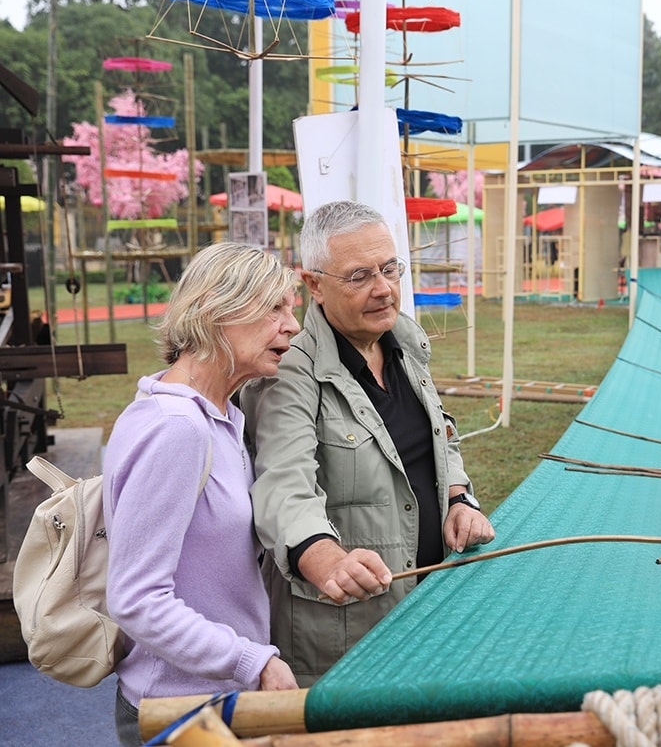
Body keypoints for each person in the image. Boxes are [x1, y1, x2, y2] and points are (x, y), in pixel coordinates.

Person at [240, 200, 496, 686]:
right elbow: (282, 485)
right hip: (345, 633)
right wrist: (325, 559)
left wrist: (460, 500)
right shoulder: (291, 368)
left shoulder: (403, 341)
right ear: (313, 283)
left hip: (428, 606)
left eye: (390, 268)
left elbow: (441, 438)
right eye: (359, 276)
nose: (384, 289)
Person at [103, 242, 301, 746]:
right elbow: (136, 599)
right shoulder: (179, 430)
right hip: (181, 712)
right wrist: (251, 660)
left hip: (209, 700)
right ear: (218, 311)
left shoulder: (219, 418)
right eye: (275, 307)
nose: (292, 326)